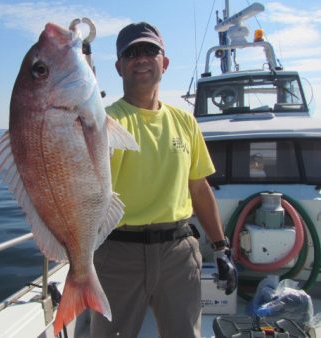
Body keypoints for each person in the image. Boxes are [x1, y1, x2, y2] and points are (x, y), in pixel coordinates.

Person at [90, 22, 238, 338]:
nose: (140, 58)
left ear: (164, 62)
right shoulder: (101, 123)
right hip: (117, 251)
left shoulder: (185, 121)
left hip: (179, 252)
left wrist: (221, 248)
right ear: (118, 67)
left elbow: (199, 187)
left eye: (149, 50)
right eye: (130, 53)